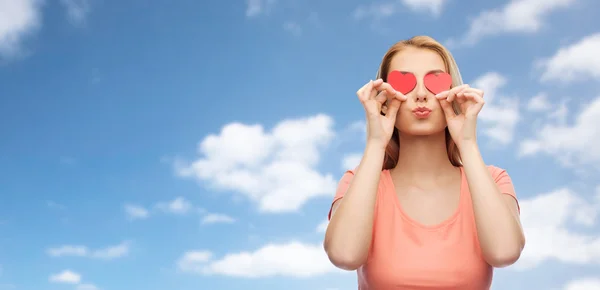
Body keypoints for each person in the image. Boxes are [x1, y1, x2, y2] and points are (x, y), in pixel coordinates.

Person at [323, 35, 525, 290]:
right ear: (383, 97)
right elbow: (344, 255)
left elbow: (505, 252)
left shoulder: (494, 180)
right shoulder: (357, 182)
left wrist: (468, 144)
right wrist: (376, 141)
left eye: (434, 81)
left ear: (453, 92)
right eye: (404, 83)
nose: (420, 94)